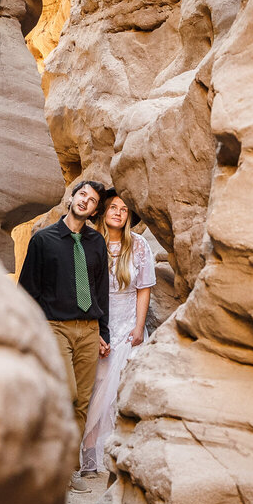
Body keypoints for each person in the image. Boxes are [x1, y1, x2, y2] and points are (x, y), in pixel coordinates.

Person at [17, 180, 111, 488]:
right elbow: (27, 291)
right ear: (72, 198)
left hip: (89, 330)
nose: (85, 200)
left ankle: (66, 467)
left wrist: (103, 331)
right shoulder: (43, 240)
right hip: (54, 326)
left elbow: (101, 291)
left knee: (82, 401)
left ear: (95, 210)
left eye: (93, 200)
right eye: (82, 194)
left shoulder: (96, 243)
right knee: (66, 394)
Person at [80, 189, 156, 477]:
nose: (118, 212)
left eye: (124, 209)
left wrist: (138, 327)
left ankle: (118, 454)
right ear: (103, 211)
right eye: (113, 206)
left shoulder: (138, 246)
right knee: (96, 390)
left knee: (122, 389)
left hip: (128, 327)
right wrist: (96, 329)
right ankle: (89, 456)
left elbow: (144, 288)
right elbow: (83, 289)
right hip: (97, 323)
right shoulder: (90, 242)